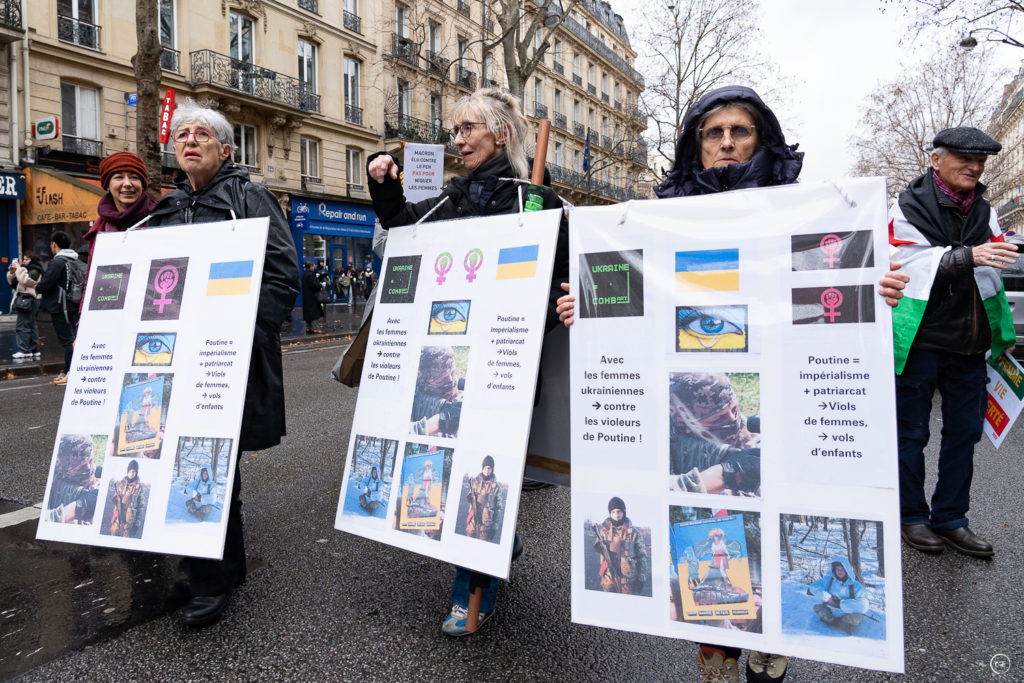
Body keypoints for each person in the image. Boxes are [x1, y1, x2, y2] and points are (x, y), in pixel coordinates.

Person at [556, 85, 908, 683]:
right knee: (700, 527)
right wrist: (583, 310)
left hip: (776, 397)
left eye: (738, 131)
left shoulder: (810, 211)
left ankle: (769, 641)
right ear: (696, 145)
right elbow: (633, 315)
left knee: (760, 515)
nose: (725, 143)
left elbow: (829, 306)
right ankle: (714, 647)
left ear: (761, 137)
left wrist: (878, 293)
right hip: (680, 411)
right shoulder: (658, 217)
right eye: (712, 133)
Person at [362, 87, 568, 637]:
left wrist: (532, 317)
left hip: (507, 368)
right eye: (454, 130)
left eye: (468, 128)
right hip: (453, 367)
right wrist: (383, 185)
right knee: (451, 467)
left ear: (500, 134)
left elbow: (565, 285)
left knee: (484, 469)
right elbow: (404, 233)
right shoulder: (448, 200)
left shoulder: (536, 201)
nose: (457, 139)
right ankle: (497, 542)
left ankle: (472, 589)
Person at [147, 97, 300, 626]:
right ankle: (218, 569)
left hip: (225, 360)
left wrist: (245, 334)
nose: (189, 141)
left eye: (202, 135)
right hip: (175, 360)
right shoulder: (166, 209)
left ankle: (210, 582)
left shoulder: (250, 198)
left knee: (206, 461)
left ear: (225, 149)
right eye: (182, 135)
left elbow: (283, 274)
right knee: (190, 459)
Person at [889, 127, 1018, 559]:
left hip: (970, 345)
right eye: (964, 158)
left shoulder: (986, 209)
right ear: (935, 159)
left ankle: (951, 519)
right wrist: (969, 255)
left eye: (980, 161)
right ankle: (912, 516)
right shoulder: (906, 207)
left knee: (964, 434)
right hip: (921, 343)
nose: (975, 167)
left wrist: (1003, 337)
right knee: (911, 434)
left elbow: (993, 278)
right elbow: (904, 264)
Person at [669, 373, 761, 497]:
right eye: (717, 419)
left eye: (734, 410)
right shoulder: (653, 443)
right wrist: (726, 475)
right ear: (684, 423)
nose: (732, 420)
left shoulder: (741, 429)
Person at [83, 151, 157, 266]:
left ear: (142, 184)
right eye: (119, 177)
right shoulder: (99, 228)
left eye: (134, 177)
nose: (127, 183)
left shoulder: (158, 220)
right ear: (107, 185)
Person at [34, 230, 84, 385]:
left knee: (67, 340)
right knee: (72, 339)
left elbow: (45, 284)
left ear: (53, 244)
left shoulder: (57, 262)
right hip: (73, 303)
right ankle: (69, 370)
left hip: (61, 306)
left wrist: (39, 287)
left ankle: (71, 372)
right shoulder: (75, 259)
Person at [592, 497, 648, 595]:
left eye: (619, 511)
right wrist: (599, 546)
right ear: (610, 513)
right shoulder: (603, 531)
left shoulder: (634, 533)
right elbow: (597, 547)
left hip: (628, 582)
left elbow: (642, 556)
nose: (616, 515)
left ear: (623, 512)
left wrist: (641, 578)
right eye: (613, 512)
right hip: (608, 579)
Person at [807, 557, 869, 635]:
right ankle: (839, 624)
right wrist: (828, 598)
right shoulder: (829, 580)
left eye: (842, 569)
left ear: (847, 570)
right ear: (834, 570)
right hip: (831, 610)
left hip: (847, 613)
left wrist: (841, 604)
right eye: (837, 569)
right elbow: (813, 587)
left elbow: (864, 604)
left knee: (858, 618)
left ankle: (834, 622)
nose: (840, 572)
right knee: (817, 607)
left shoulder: (856, 585)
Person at [7, 252, 43, 360]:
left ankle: (24, 350)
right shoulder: (24, 269)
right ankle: (34, 350)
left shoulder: (35, 269)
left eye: (26, 259)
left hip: (29, 300)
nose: (24, 261)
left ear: (32, 260)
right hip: (26, 299)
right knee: (31, 325)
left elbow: (26, 281)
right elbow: (13, 283)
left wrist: (18, 268)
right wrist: (12, 272)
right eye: (23, 259)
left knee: (22, 325)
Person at [465, 456, 503, 541]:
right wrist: (470, 498)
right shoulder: (476, 482)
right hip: (472, 521)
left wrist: (494, 527)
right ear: (482, 468)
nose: (487, 470)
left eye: (489, 468)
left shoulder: (497, 487)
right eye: (485, 468)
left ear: (492, 469)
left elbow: (498, 508)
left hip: (485, 526)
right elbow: (469, 496)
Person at [108, 460, 146, 538]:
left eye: (133, 472)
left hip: (129, 523)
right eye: (130, 471)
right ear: (127, 471)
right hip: (117, 519)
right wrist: (116, 499)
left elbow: (141, 507)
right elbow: (115, 499)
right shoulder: (121, 484)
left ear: (136, 473)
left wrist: (137, 525)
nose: (131, 474)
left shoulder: (139, 487)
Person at [301, 261, 324, 334]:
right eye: (313, 266)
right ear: (311, 266)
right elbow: (314, 285)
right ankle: (316, 328)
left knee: (308, 313)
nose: (314, 267)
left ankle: (309, 328)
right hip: (312, 297)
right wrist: (320, 285)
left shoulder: (305, 274)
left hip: (306, 296)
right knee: (314, 313)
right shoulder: (310, 274)